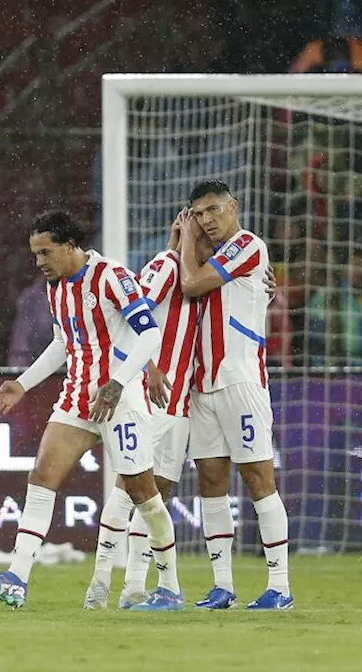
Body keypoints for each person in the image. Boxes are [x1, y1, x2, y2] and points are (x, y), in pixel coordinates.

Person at [0, 210, 184, 611]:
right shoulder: (55, 288)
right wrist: (22, 383)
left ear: (69, 246)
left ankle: (169, 585)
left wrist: (118, 384)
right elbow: (64, 344)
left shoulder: (112, 277)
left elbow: (150, 335)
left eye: (45, 252)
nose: (39, 262)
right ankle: (16, 578)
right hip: (78, 397)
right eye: (35, 254)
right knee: (42, 476)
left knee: (144, 496)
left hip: (120, 399)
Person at [177, 179, 292, 610]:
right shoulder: (217, 256)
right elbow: (190, 279)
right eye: (198, 214)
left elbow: (189, 284)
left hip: (241, 381)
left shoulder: (247, 245)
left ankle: (280, 586)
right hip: (202, 384)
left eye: (212, 210)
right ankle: (222, 585)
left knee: (259, 480)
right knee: (210, 482)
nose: (206, 220)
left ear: (233, 206)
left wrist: (186, 239)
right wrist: (186, 244)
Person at [83, 211, 202, 609]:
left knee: (157, 494)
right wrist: (149, 367)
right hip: (154, 395)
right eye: (199, 224)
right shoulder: (165, 265)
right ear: (187, 228)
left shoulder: (202, 277)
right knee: (130, 485)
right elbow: (131, 317)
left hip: (182, 402)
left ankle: (135, 585)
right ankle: (100, 579)